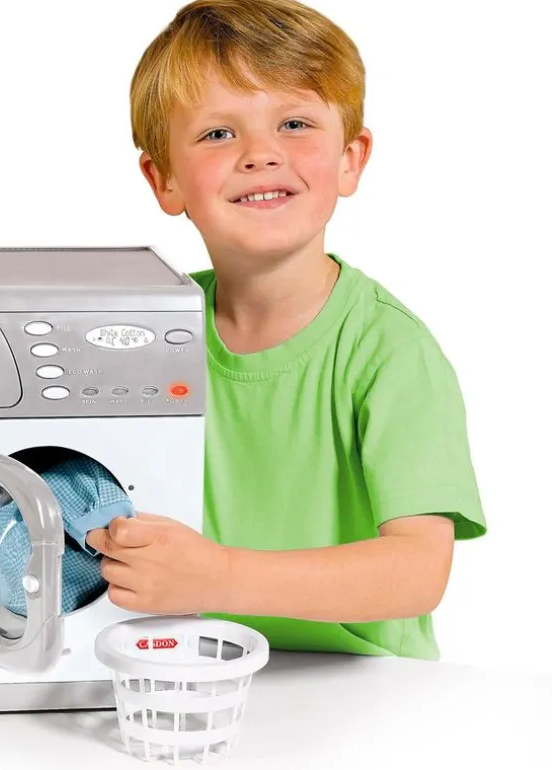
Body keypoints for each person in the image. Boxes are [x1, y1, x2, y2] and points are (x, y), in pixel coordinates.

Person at [86, 0, 486, 660]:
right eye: (218, 134)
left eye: (294, 124)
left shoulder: (389, 351)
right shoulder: (146, 336)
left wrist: (218, 576)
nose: (261, 155)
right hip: (198, 677)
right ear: (164, 178)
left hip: (368, 688)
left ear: (351, 159)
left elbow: (419, 571)